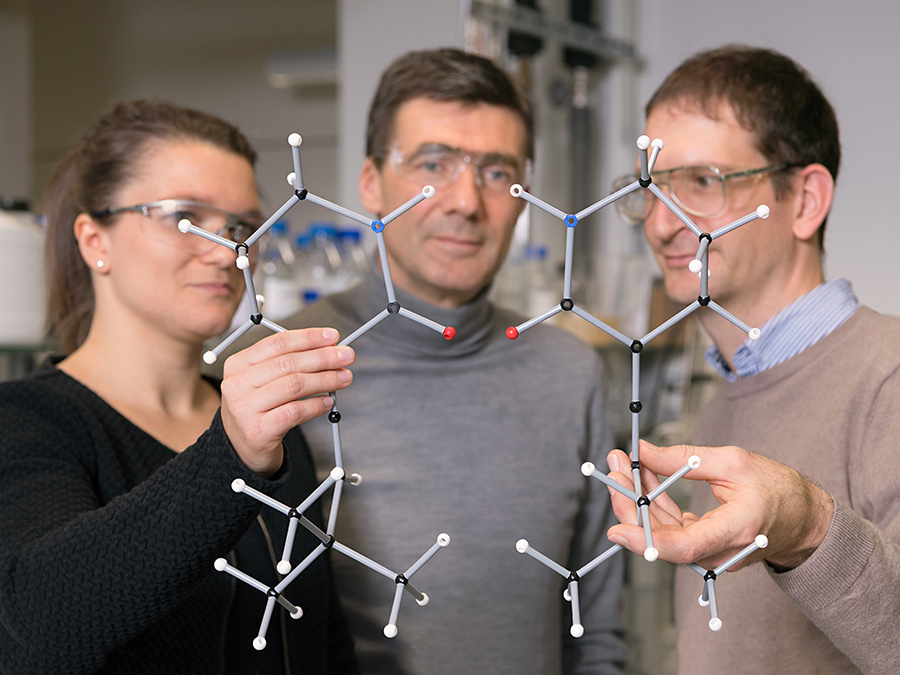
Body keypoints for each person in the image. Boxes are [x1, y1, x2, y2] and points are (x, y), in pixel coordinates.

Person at [216, 48, 626, 674]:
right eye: (433, 164)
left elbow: (596, 631)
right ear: (371, 184)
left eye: (496, 171)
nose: (465, 201)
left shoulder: (571, 373)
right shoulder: (281, 366)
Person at [0, 99, 361, 674]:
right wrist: (230, 457)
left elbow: (318, 636)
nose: (228, 249)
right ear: (95, 240)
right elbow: (38, 628)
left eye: (242, 225)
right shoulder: (27, 420)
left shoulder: (267, 423)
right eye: (183, 217)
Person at [603, 45, 900, 674]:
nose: (660, 225)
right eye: (650, 189)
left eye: (702, 183)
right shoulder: (720, 405)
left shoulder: (889, 378)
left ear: (806, 200)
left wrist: (808, 527)